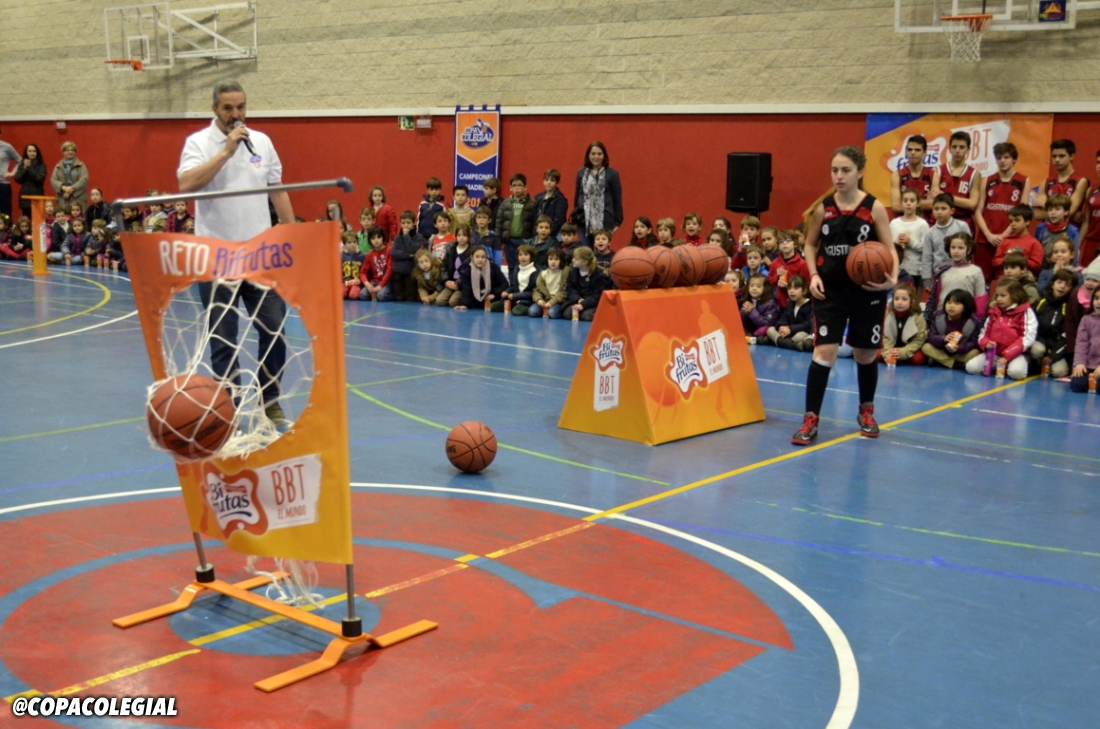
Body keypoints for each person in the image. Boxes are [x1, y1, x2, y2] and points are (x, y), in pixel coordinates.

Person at [177, 79, 295, 427]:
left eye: (241, 107)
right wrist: (226, 151)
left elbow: (278, 190)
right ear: (214, 109)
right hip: (216, 257)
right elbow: (187, 184)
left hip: (260, 256)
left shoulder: (262, 142)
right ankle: (229, 407)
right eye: (228, 108)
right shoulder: (198, 143)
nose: (236, 114)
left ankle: (270, 401)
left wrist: (294, 235)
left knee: (274, 330)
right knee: (223, 340)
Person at [792, 145, 897, 446]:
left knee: (865, 354)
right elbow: (809, 244)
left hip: (867, 291)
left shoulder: (874, 207)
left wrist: (891, 280)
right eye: (834, 170)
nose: (839, 176)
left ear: (860, 172)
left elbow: (889, 248)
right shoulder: (823, 208)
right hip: (831, 291)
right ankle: (810, 418)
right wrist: (813, 274)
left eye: (845, 170)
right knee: (824, 353)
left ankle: (866, 411)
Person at [976, 142, 1030, 281]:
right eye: (999, 158)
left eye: (1006, 157)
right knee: (982, 279)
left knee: (1007, 279)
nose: (1002, 161)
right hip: (985, 239)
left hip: (1010, 239)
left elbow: (1022, 213)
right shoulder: (987, 180)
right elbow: (978, 211)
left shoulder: (1023, 181)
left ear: (1014, 159)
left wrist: (1004, 235)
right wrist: (988, 234)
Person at [965, 278, 1037, 380]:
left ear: (1016, 295)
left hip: (1016, 354)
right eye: (997, 295)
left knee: (1016, 373)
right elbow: (983, 333)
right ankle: (999, 367)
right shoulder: (994, 312)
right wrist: (986, 343)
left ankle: (1018, 364)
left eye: (1003, 296)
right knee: (971, 368)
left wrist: (1007, 355)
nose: (998, 299)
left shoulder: (1026, 312)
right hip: (994, 354)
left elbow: (1027, 338)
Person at [573, 141, 623, 246]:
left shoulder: (612, 174)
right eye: (593, 154)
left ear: (604, 156)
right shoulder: (581, 173)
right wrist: (576, 217)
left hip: (605, 221)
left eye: (599, 154)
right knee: (586, 252)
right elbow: (577, 196)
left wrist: (617, 222)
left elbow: (617, 199)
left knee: (602, 251)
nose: (596, 157)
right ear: (588, 155)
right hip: (584, 221)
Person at [921, 289, 983, 370]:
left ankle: (940, 361)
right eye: (949, 302)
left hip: (960, 353)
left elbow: (974, 343)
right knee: (926, 347)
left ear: (965, 307)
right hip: (941, 350)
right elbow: (931, 337)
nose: (951, 306)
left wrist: (959, 348)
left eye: (956, 303)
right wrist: (943, 339)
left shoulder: (973, 321)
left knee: (975, 353)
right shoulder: (938, 317)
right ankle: (954, 364)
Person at [1032, 269, 1076, 379]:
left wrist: (1053, 356)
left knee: (1059, 372)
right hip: (1040, 343)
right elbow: (1030, 326)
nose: (1062, 287)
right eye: (1059, 282)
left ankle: (1048, 363)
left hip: (1057, 348)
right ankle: (1034, 364)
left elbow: (1067, 336)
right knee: (1036, 351)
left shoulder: (1070, 308)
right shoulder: (1041, 302)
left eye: (1067, 285)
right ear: (1052, 284)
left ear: (1072, 289)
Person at [928, 232, 986, 315]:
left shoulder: (976, 271)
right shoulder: (943, 271)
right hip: (943, 315)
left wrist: (977, 318)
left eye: (960, 248)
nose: (956, 251)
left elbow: (980, 299)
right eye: (953, 247)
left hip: (966, 316)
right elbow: (937, 298)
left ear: (969, 249)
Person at [1034, 139, 1089, 222]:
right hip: (1047, 229)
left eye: (1061, 156)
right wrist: (1071, 216)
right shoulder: (1045, 182)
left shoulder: (1080, 181)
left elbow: (1070, 212)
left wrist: (1045, 205)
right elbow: (1037, 214)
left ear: (1071, 156)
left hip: (1069, 229)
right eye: (1054, 156)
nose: (1057, 160)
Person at [937, 131, 981, 234]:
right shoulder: (938, 170)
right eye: (954, 147)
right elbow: (934, 199)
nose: (957, 150)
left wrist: (944, 196)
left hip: (964, 222)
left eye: (961, 147)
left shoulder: (974, 174)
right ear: (949, 149)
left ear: (968, 149)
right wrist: (961, 202)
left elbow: (972, 204)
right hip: (942, 222)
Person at [890, 188, 930, 300]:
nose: (908, 203)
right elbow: (889, 246)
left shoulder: (922, 224)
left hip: (915, 270)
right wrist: (897, 244)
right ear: (901, 203)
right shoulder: (894, 223)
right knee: (898, 300)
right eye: (905, 200)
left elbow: (926, 248)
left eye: (912, 201)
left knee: (913, 302)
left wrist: (910, 242)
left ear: (918, 203)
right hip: (897, 269)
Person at [496, 173, 535, 272]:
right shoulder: (505, 203)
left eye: (520, 185)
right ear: (510, 188)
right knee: (511, 265)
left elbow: (534, 223)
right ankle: (513, 282)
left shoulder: (531, 204)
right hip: (509, 240)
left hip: (525, 240)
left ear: (525, 187)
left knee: (524, 266)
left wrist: (533, 239)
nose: (517, 188)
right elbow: (499, 222)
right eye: (514, 185)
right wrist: (499, 240)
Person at [890, 135, 935, 221]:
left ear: (925, 152)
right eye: (909, 149)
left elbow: (934, 204)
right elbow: (896, 207)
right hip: (903, 224)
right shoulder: (897, 175)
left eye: (917, 150)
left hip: (926, 223)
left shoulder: (933, 175)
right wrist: (924, 202)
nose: (913, 153)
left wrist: (906, 203)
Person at [881, 283, 927, 365]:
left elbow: (918, 340)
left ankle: (900, 357)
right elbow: (884, 337)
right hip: (892, 346)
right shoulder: (887, 315)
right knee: (876, 354)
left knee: (918, 359)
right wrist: (887, 353)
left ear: (912, 302)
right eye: (896, 299)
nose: (899, 302)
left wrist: (902, 352)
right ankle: (894, 357)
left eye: (904, 299)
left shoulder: (918, 319)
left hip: (908, 347)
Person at [992, 205, 1044, 277]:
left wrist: (1020, 259)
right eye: (1011, 221)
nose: (1013, 224)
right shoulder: (1005, 241)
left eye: (1017, 220)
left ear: (1027, 222)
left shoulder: (1034, 243)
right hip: (1004, 279)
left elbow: (1036, 266)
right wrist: (1008, 258)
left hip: (1024, 280)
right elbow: (995, 262)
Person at [766, 275, 814, 351]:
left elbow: (808, 324)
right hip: (788, 333)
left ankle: (778, 342)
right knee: (770, 330)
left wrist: (791, 329)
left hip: (800, 332)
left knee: (800, 336)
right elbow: (783, 318)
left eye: (795, 288)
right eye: (789, 288)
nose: (791, 291)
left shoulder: (810, 305)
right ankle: (792, 345)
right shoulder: (790, 303)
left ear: (804, 290)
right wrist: (782, 327)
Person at [566, 246, 611, 322]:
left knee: (586, 316)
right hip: (579, 299)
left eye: (576, 259)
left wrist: (584, 304)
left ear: (585, 262)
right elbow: (570, 288)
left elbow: (597, 295)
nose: (573, 260)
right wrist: (578, 299)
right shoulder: (573, 271)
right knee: (568, 314)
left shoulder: (599, 274)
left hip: (593, 302)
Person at [456, 245, 507, 311]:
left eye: (483, 257)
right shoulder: (467, 268)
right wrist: (464, 304)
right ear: (472, 257)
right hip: (474, 301)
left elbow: (504, 283)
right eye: (477, 257)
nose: (480, 259)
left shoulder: (493, 267)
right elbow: (466, 287)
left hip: (491, 299)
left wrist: (495, 294)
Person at [768, 230, 810, 309]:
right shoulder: (774, 263)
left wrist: (789, 286)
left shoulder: (802, 263)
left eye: (788, 240)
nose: (784, 243)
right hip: (778, 304)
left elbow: (806, 285)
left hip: (796, 304)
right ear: (778, 246)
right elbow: (769, 281)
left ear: (795, 244)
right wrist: (777, 277)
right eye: (781, 241)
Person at [1070, 287, 1100, 392]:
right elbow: (1081, 343)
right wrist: (1079, 364)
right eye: (1096, 298)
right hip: (1089, 364)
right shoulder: (1086, 319)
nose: (1098, 302)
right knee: (1077, 385)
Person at [1034, 194, 1079, 265]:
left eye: (1057, 209)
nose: (1053, 213)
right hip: (1042, 265)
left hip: (1063, 267)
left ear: (1066, 212)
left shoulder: (1072, 231)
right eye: (1050, 210)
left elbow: (1074, 256)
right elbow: (1035, 250)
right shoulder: (1040, 228)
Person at [390, 211, 425, 302]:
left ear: (413, 223)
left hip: (411, 272)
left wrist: (406, 236)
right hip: (398, 271)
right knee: (399, 298)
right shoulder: (397, 238)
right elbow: (393, 252)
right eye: (403, 223)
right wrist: (408, 255)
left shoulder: (418, 237)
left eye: (408, 223)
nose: (406, 225)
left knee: (411, 298)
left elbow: (412, 249)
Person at [493, 244, 537, 315]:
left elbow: (532, 293)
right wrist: (507, 291)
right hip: (515, 300)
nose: (523, 257)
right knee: (494, 307)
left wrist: (515, 295)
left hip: (527, 301)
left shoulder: (535, 271)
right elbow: (513, 286)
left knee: (516, 311)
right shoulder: (516, 269)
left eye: (526, 255)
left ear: (531, 256)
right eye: (520, 255)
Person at [436, 223, 472, 308]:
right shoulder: (451, 249)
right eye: (459, 235)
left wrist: (458, 283)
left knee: (453, 302)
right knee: (439, 301)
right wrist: (446, 281)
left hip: (462, 284)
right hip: (451, 282)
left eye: (464, 235)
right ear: (456, 236)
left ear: (468, 237)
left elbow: (469, 272)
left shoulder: (471, 251)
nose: (461, 237)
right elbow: (444, 266)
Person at [530, 247, 568, 318]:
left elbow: (564, 293)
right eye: (550, 259)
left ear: (561, 260)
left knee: (552, 313)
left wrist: (551, 302)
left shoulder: (565, 272)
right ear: (547, 260)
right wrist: (539, 299)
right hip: (546, 300)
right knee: (532, 311)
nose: (553, 261)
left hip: (558, 301)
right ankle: (544, 310)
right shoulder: (543, 273)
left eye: (556, 259)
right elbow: (537, 290)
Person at [50, 142, 89, 212]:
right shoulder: (58, 166)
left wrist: (70, 189)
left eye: (72, 150)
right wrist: (63, 187)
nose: (70, 152)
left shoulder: (81, 165)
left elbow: (84, 180)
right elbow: (53, 180)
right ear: (63, 152)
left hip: (78, 199)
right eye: (68, 150)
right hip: (62, 199)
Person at [358, 226, 393, 302]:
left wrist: (380, 286)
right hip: (374, 282)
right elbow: (363, 273)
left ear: (383, 238)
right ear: (370, 240)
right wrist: (367, 284)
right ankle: (375, 293)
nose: (376, 240)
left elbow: (390, 270)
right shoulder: (369, 255)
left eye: (379, 237)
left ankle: (392, 294)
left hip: (387, 282)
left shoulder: (389, 250)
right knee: (362, 295)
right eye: (373, 238)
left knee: (381, 296)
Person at [739, 274, 779, 341]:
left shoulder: (770, 303)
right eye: (752, 286)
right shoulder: (747, 299)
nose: (754, 288)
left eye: (758, 286)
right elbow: (746, 323)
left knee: (764, 330)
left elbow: (767, 324)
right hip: (752, 330)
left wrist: (752, 311)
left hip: (766, 329)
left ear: (765, 288)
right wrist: (744, 312)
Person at [12, 143, 46, 220]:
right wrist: (24, 169)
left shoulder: (41, 165)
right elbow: (18, 179)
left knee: (37, 220)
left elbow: (39, 179)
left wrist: (29, 167)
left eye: (34, 151)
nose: (32, 153)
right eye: (29, 151)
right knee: (26, 220)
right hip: (25, 196)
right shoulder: (22, 164)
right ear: (26, 152)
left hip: (37, 196)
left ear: (37, 152)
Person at [534, 169, 568, 238]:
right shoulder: (538, 198)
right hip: (540, 233)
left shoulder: (560, 199)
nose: (549, 183)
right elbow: (534, 217)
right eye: (546, 180)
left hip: (554, 234)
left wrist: (548, 232)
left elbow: (559, 220)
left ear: (557, 183)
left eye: (552, 180)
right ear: (543, 181)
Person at [1080, 150, 1100, 267]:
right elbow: (1086, 223)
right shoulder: (1091, 190)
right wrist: (1076, 247)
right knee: (1086, 275)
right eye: (1098, 163)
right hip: (1091, 243)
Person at [0, 130, 20, 220]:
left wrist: (12, 173)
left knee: (6, 212)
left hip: (3, 184)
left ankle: (7, 229)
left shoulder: (7, 147)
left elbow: (20, 161)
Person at [340, 231, 365, 300]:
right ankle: (346, 292)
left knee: (353, 295)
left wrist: (360, 280)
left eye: (354, 242)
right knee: (340, 294)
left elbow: (364, 271)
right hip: (345, 282)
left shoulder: (362, 256)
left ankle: (350, 292)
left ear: (357, 242)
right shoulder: (341, 255)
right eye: (349, 242)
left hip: (356, 282)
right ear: (344, 244)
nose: (352, 244)